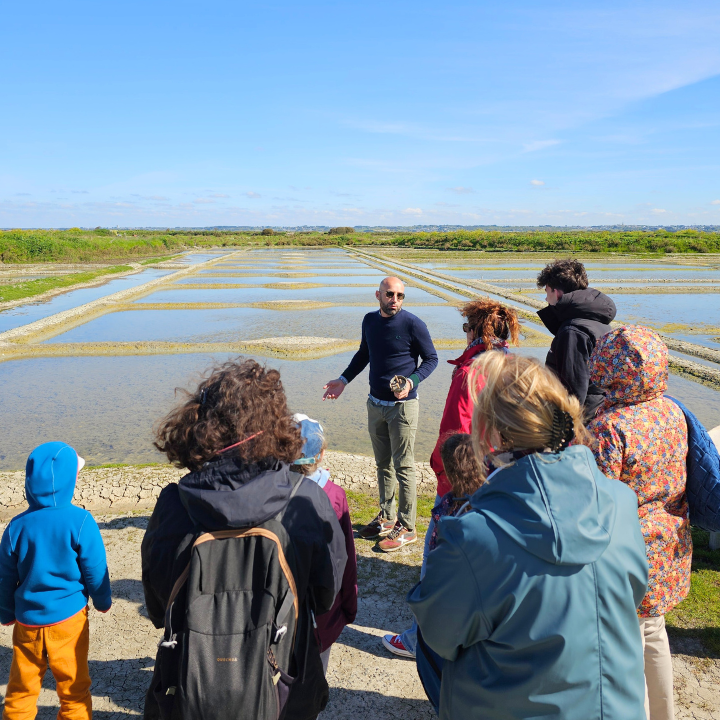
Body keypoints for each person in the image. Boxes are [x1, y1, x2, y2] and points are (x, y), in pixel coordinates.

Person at [408, 352, 649, 720]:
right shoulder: (621, 501)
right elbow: (636, 590)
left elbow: (439, 634)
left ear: (494, 435)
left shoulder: (473, 534)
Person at [142, 359, 347, 720]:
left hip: (189, 687)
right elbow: (325, 594)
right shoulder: (307, 500)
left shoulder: (174, 505)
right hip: (284, 684)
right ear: (276, 425)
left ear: (201, 424)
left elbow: (159, 607)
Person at [383, 298, 519, 657]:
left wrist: (440, 469)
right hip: (505, 479)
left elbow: (455, 435)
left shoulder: (471, 371)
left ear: (477, 330)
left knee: (438, 565)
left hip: (464, 483)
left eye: (466, 328)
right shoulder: (515, 367)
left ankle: (420, 641)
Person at [587, 326, 691, 720]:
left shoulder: (610, 426)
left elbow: (595, 499)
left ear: (611, 368)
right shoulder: (672, 410)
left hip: (626, 552)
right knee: (653, 633)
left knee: (623, 649)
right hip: (669, 540)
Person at [323, 276, 438, 552]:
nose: (394, 300)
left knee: (404, 466)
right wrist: (343, 380)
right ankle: (387, 517)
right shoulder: (369, 321)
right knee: (382, 463)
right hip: (375, 403)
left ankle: (407, 526)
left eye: (399, 296)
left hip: (403, 407)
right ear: (378, 295)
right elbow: (364, 353)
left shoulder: (413, 323)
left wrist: (412, 381)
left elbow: (431, 359)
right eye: (389, 294)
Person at [0, 442, 112, 720]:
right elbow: (95, 569)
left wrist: (5, 612)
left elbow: (5, 576)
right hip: (70, 621)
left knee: (21, 691)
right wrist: (102, 600)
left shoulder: (16, 527)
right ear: (69, 482)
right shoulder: (81, 521)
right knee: (74, 691)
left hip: (27, 622)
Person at [290, 413, 358, 676]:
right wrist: (348, 608)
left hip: (276, 616)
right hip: (321, 618)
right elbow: (346, 560)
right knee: (313, 681)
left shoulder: (265, 492)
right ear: (321, 454)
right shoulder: (335, 496)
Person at [536, 258, 616, 419]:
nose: (545, 299)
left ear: (556, 292)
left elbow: (572, 390)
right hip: (600, 408)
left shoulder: (573, 331)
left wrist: (564, 431)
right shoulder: (596, 321)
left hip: (584, 417)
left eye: (547, 291)